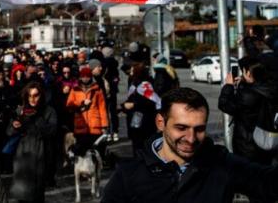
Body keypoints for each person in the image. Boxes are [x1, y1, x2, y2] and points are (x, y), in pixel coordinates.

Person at [102, 87, 278, 202]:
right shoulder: (129, 174)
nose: (191, 138)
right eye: (181, 128)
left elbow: (269, 182)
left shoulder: (221, 163)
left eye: (199, 129)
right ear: (160, 123)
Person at [218, 56, 277, 173]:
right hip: (270, 141)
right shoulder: (271, 88)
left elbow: (224, 105)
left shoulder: (249, 94)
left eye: (243, 71)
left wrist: (228, 86)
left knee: (250, 176)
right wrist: (245, 84)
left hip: (249, 146)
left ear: (248, 73)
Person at [8, 81, 57, 202]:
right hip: (23, 154)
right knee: (21, 193)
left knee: (37, 194)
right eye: (30, 95)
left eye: (36, 95)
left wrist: (37, 117)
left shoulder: (49, 111)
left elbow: (52, 131)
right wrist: (15, 126)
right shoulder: (21, 110)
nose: (33, 99)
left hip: (41, 155)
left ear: (41, 95)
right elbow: (9, 132)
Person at [66, 66, 108, 155]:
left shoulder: (97, 89)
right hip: (80, 125)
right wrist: (81, 103)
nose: (85, 78)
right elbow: (69, 105)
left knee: (94, 153)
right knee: (81, 153)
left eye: (87, 76)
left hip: (95, 126)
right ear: (80, 77)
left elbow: (102, 108)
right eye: (83, 76)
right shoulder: (75, 90)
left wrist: (104, 125)